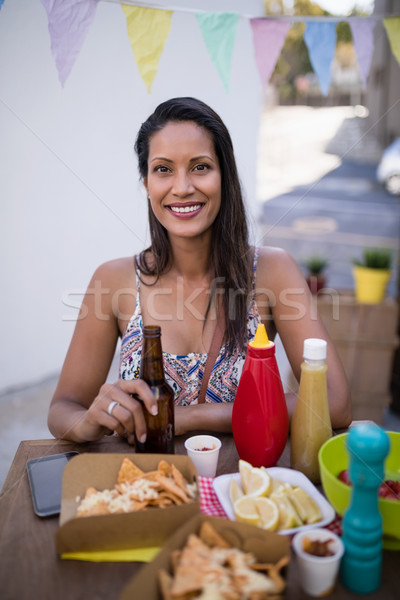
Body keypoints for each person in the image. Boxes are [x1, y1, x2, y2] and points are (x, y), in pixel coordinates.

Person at [48, 97, 351, 446]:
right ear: (146, 184)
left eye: (200, 167)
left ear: (224, 175)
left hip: (244, 489)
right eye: (163, 169)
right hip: (151, 489)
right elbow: (62, 408)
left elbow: (335, 403)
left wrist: (188, 416)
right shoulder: (113, 280)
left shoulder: (272, 271)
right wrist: (87, 421)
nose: (182, 187)